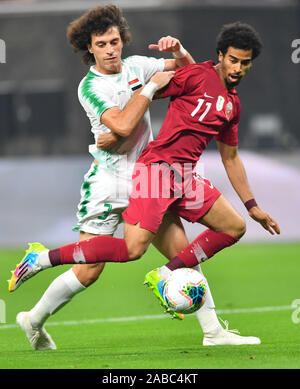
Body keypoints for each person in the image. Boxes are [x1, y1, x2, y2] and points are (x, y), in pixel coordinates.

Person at [8, 7, 257, 350]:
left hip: (155, 175)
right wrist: (151, 88)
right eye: (101, 43)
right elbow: (123, 126)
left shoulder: (139, 65)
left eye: (115, 41)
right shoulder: (91, 87)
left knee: (182, 253)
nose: (111, 49)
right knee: (89, 271)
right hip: (110, 182)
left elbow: (196, 78)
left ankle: (213, 331)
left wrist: (179, 51)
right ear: (89, 48)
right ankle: (34, 319)